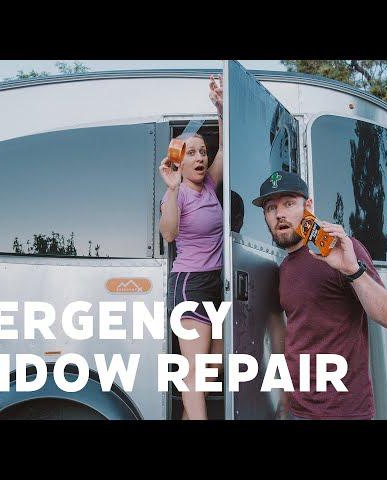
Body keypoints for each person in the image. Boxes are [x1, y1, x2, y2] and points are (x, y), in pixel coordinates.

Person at [253, 171, 387, 420]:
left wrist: (352, 270)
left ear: (308, 206)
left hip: (344, 413)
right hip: (298, 411)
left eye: (289, 204)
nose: (280, 214)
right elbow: (295, 339)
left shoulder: (343, 250)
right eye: (271, 208)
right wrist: (285, 397)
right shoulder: (285, 269)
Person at [159, 75, 224, 420]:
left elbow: (226, 147)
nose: (200, 157)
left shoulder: (211, 184)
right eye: (192, 153)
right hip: (190, 284)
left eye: (203, 151)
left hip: (216, 283)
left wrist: (221, 108)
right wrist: (171, 189)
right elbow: (169, 235)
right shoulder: (178, 194)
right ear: (179, 162)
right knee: (195, 375)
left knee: (211, 370)